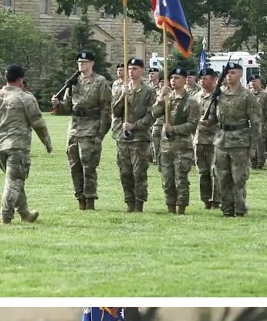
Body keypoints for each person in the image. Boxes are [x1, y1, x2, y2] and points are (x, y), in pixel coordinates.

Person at [0, 64, 52, 225]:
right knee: (14, 182)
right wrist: (47, 143)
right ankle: (6, 215)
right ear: (20, 79)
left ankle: (25, 213)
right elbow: (38, 123)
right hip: (17, 145)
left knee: (14, 179)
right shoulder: (26, 98)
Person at [52, 51, 111, 211]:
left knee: (89, 167)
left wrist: (101, 134)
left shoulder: (100, 82)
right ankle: (80, 199)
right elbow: (67, 108)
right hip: (74, 129)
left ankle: (90, 200)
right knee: (74, 166)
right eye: (79, 62)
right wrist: (58, 104)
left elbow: (106, 111)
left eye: (84, 62)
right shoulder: (72, 82)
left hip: (91, 129)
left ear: (92, 63)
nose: (81, 64)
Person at [205, 63, 260, 217]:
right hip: (221, 140)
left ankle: (240, 208)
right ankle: (227, 208)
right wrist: (207, 121)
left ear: (240, 75)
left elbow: (256, 123)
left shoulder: (247, 96)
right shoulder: (219, 94)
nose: (229, 75)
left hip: (239, 141)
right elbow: (213, 118)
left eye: (233, 73)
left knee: (239, 178)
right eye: (227, 73)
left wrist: (253, 146)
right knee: (222, 176)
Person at [153, 67, 200, 215]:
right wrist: (161, 98)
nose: (173, 81)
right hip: (165, 146)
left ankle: (181, 207)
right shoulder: (167, 98)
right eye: (171, 78)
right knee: (167, 180)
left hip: (182, 146)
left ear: (185, 80)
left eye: (177, 78)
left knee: (181, 179)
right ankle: (170, 206)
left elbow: (192, 124)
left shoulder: (191, 101)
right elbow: (154, 113)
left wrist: (174, 129)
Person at [112, 58, 156, 213]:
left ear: (142, 71)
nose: (131, 71)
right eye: (129, 69)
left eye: (135, 69)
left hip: (140, 138)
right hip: (123, 137)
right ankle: (129, 202)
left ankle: (139, 202)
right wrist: (121, 97)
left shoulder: (148, 91)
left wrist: (134, 125)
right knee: (125, 172)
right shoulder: (122, 89)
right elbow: (116, 112)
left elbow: (151, 115)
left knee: (139, 172)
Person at [192, 69, 220, 209]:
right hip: (199, 139)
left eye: (206, 78)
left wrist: (210, 121)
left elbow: (224, 117)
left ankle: (216, 200)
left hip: (214, 139)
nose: (203, 81)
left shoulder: (219, 96)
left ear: (214, 80)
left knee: (215, 171)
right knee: (202, 172)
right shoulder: (196, 97)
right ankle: (205, 199)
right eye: (201, 78)